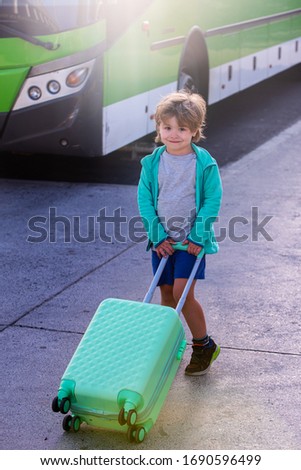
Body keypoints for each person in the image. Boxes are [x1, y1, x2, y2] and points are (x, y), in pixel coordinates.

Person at [137, 90, 223, 375]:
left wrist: (199, 236)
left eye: (182, 129)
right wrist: (157, 235)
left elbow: (212, 200)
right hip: (163, 243)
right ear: (159, 127)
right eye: (167, 127)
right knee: (166, 295)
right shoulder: (152, 163)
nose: (173, 134)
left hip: (190, 243)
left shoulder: (203, 163)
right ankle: (168, 345)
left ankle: (203, 345)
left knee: (181, 294)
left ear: (195, 130)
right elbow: (145, 200)